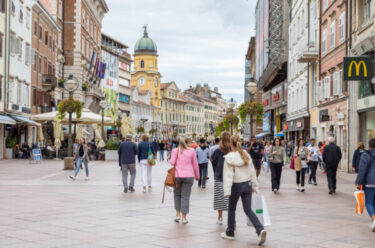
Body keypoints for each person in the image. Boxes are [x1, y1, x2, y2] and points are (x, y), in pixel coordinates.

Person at [221, 135, 266, 246]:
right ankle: (260, 229)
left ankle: (230, 232)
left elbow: (228, 176)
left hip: (235, 185)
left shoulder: (229, 157)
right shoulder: (246, 155)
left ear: (231, 144)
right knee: (248, 210)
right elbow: (252, 172)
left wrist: (227, 191)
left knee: (231, 209)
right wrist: (255, 187)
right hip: (247, 184)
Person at [170, 137, 200, 224]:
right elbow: (195, 164)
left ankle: (177, 215)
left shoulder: (175, 150)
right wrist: (197, 176)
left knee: (177, 195)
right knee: (185, 196)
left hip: (177, 176)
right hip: (189, 176)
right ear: (187, 142)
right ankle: (184, 218)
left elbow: (172, 162)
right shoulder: (192, 151)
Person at [355, 139, 375, 232]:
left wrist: (358, 181)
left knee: (369, 202)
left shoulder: (366, 155)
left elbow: (362, 170)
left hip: (370, 182)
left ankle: (374, 220)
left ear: (369, 146)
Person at [211, 132, 231, 225]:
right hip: (231, 179)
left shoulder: (218, 151)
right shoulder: (233, 151)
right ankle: (232, 219)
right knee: (231, 199)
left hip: (219, 177)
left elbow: (213, 162)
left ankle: (220, 217)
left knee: (219, 199)